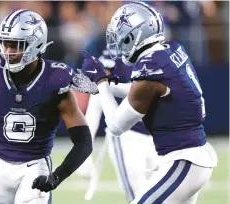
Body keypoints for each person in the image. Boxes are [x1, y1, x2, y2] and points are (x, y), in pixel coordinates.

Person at [79, 2, 217, 204]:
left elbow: (117, 125)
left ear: (137, 35)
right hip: (191, 155)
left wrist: (100, 81)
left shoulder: (151, 67)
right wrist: (104, 84)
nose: (118, 43)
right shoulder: (170, 49)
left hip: (184, 159)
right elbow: (139, 91)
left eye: (122, 36)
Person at [0, 9, 93, 204]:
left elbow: (84, 141)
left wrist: (57, 176)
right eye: (5, 44)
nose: (7, 52)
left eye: (15, 46)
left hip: (34, 169)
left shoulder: (55, 80)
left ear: (36, 45)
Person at [76, 49, 158, 202]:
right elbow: (98, 97)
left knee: (162, 196)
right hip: (128, 135)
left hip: (157, 135)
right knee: (139, 198)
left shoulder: (157, 52)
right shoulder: (113, 54)